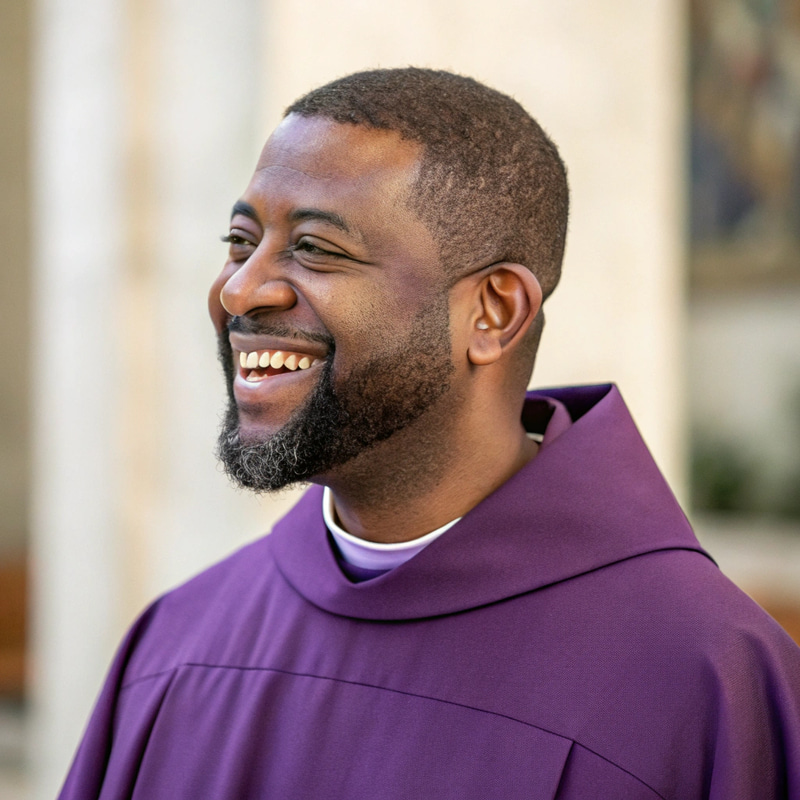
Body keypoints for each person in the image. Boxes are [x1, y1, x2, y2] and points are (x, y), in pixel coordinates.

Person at [59, 68, 800, 799]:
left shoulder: (706, 684)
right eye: (239, 241)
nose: (240, 289)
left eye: (315, 248)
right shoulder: (175, 645)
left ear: (494, 311)